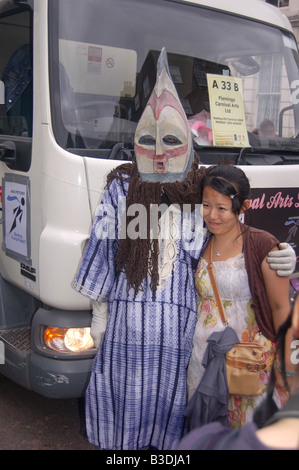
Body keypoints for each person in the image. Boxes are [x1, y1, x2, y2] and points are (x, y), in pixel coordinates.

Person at [73, 49, 296, 450]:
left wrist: (282, 253)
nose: (158, 152)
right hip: (128, 324)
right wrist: (100, 314)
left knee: (172, 412)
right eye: (147, 140)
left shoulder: (200, 191)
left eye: (172, 140)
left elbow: (236, 234)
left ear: (190, 144)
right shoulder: (121, 188)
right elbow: (104, 250)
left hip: (183, 332)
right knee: (124, 405)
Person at [186, 164, 293, 430]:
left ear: (242, 207)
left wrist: (285, 362)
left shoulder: (261, 244)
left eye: (222, 208)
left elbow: (281, 306)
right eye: (206, 205)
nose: (212, 215)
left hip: (251, 363)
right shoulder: (198, 242)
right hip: (206, 361)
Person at [179, 290, 299, 450]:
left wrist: (288, 364)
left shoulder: (264, 263)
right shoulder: (198, 262)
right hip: (204, 358)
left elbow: (280, 307)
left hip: (247, 362)